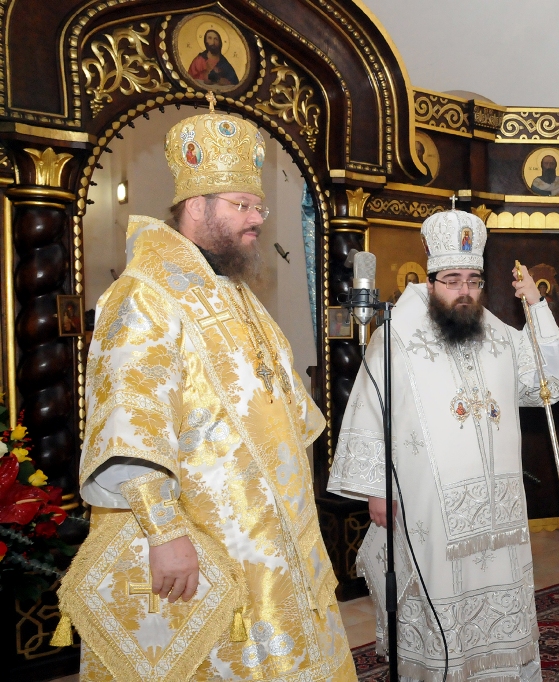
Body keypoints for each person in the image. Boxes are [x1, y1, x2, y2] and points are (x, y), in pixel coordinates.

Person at [63, 107, 356, 680]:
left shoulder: (235, 293)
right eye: (242, 206)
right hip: (208, 535)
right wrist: (164, 533)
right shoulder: (143, 294)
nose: (257, 219)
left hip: (273, 537)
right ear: (196, 206)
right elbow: (130, 419)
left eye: (258, 207)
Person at [328, 209, 559, 682]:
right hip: (429, 506)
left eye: (473, 280)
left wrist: (537, 307)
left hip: (498, 510)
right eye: (452, 280)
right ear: (430, 281)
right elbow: (368, 410)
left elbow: (551, 382)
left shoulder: (498, 335)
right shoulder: (396, 337)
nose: (464, 291)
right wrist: (377, 488)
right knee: (439, 597)